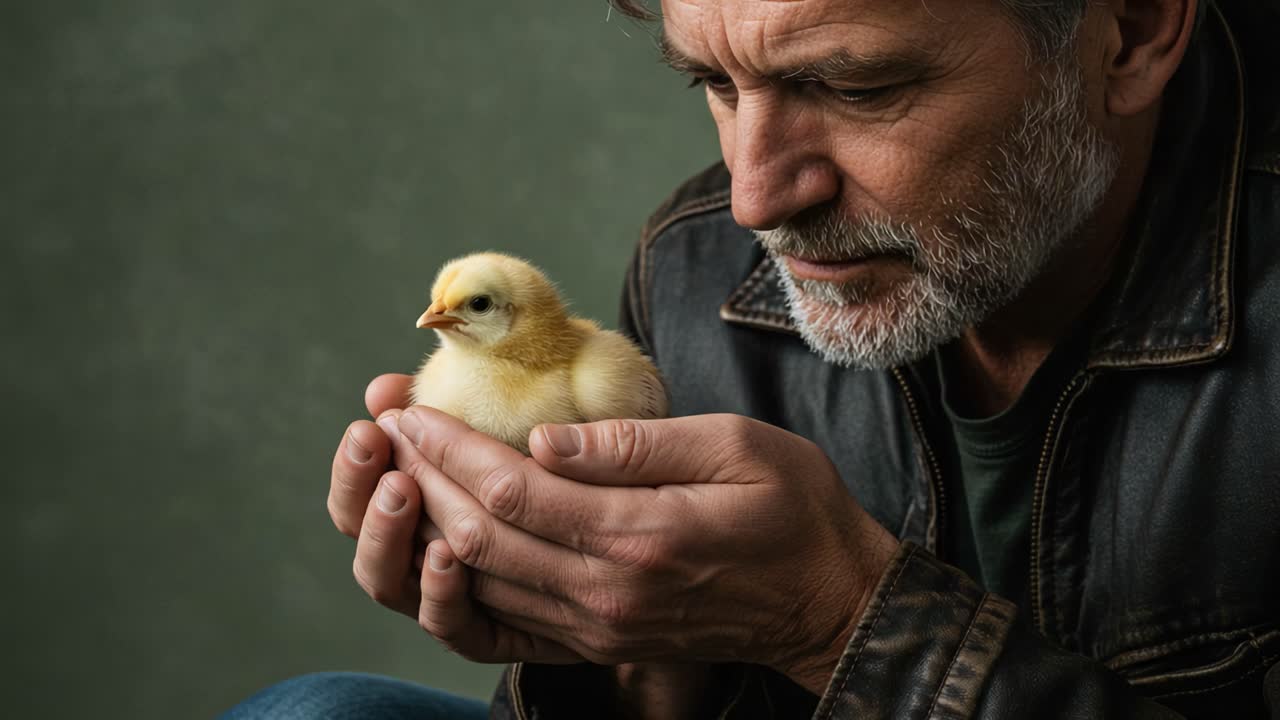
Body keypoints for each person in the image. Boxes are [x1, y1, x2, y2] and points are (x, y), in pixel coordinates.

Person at [225, 0, 1280, 717]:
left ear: (1132, 30)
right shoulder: (696, 273)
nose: (754, 201)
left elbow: (842, 628)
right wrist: (628, 658)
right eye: (714, 85)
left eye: (853, 87)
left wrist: (844, 622)